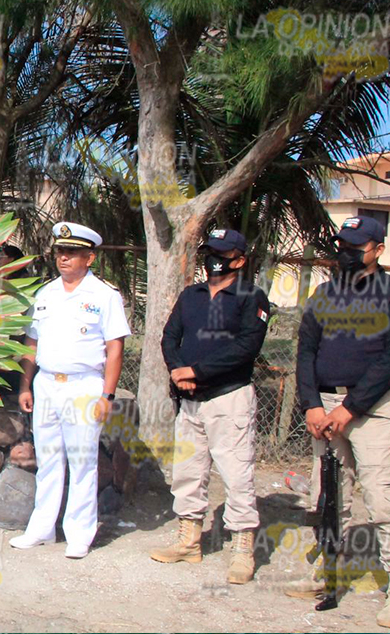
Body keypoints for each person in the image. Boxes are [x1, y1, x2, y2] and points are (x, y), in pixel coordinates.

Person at [288, 216, 390, 628]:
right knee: (327, 497)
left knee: (383, 497)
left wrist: (351, 407)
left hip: (372, 408)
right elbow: (306, 350)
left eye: (356, 247)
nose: (346, 254)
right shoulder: (325, 294)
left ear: (378, 250)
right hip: (325, 408)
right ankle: (328, 570)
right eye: (342, 246)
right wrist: (311, 405)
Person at [151, 228, 270, 584]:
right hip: (189, 399)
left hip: (228, 398)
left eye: (221, 253)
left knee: (236, 474)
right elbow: (170, 336)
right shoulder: (192, 295)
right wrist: (178, 372)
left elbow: (246, 348)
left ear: (240, 260)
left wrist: (197, 371)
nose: (213, 260)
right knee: (187, 471)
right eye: (209, 253)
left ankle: (242, 549)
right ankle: (189, 541)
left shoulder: (251, 297)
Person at [10, 222, 129, 559]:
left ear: (89, 258)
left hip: (83, 386)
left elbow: (115, 349)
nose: (63, 258)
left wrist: (107, 395)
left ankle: (79, 533)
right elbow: (31, 343)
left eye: (72, 252)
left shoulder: (104, 296)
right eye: (60, 251)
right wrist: (25, 385)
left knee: (82, 461)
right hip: (47, 383)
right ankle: (42, 528)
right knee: (47, 459)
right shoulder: (45, 294)